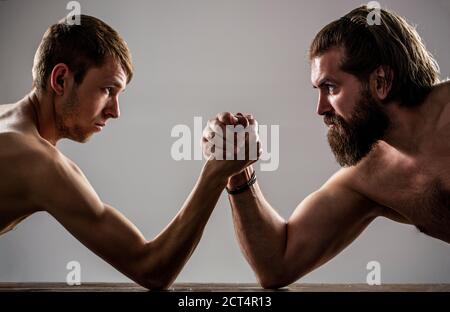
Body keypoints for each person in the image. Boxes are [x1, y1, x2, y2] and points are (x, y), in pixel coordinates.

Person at [0, 15, 258, 290]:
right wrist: (214, 175)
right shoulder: (38, 163)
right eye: (107, 90)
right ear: (61, 79)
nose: (115, 111)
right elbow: (151, 269)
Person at [203, 6, 449, 289]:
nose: (320, 109)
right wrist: (239, 168)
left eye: (331, 88)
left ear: (381, 81)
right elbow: (277, 265)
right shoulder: (369, 177)